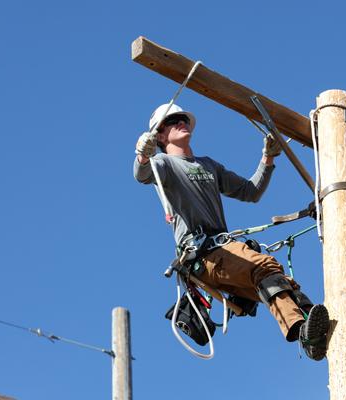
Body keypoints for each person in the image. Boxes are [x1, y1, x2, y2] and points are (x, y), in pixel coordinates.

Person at [133, 103, 330, 360]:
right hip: (204, 255)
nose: (181, 122)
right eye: (173, 121)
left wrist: (268, 159)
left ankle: (317, 334)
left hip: (223, 255)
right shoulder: (163, 164)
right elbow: (143, 174)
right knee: (265, 266)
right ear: (159, 135)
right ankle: (300, 328)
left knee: (278, 281)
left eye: (183, 118)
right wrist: (142, 155)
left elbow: (251, 192)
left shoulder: (208, 165)